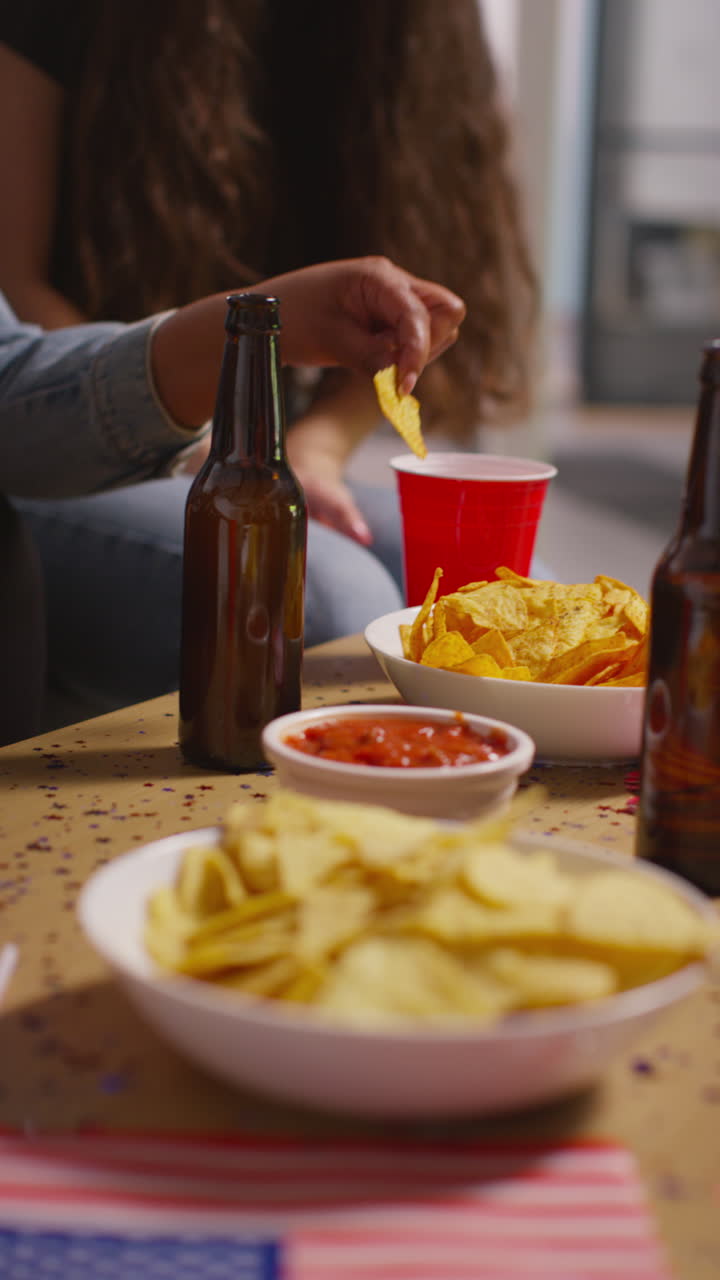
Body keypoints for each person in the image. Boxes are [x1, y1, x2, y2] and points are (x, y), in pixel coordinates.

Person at [0, 0, 536, 720]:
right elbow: (20, 310)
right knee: (333, 603)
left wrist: (310, 451)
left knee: (515, 597)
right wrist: (226, 437)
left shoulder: (420, 30)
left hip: (245, 434)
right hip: (77, 457)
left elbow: (433, 302)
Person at [0, 255, 464, 744]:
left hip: (275, 439)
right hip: (96, 449)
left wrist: (314, 451)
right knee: (338, 596)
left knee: (493, 579)